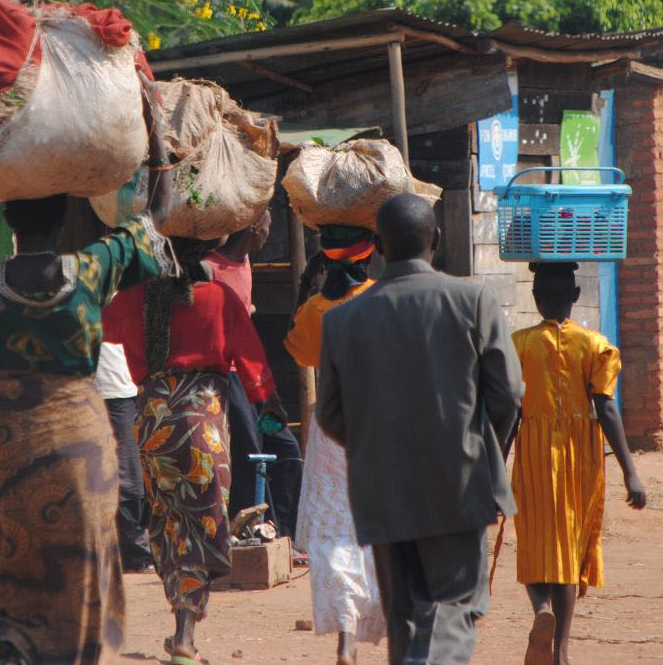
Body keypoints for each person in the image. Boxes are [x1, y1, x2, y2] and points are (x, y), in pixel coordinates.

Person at [0, 81, 176, 665]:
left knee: (18, 571)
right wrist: (158, 141)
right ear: (62, 219)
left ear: (7, 215)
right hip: (81, 446)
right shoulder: (92, 270)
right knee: (82, 570)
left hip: (10, 449)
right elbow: (157, 219)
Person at [317, 193, 523, 665]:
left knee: (403, 619)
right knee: (454, 607)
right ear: (437, 239)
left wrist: (376, 446)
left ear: (379, 247)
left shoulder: (342, 320)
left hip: (380, 487)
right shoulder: (472, 300)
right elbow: (508, 392)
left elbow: (329, 413)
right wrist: (474, 442)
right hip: (459, 481)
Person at [104, 237, 289, 665]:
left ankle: (180, 626)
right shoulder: (218, 297)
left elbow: (101, 325)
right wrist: (271, 402)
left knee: (169, 524)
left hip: (151, 423)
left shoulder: (139, 300)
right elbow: (251, 360)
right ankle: (184, 634)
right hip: (201, 424)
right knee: (200, 528)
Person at [513, 263, 647, 665]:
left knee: (536, 542)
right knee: (569, 548)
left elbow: (504, 412)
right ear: (575, 296)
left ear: (535, 298)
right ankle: (563, 648)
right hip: (579, 455)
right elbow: (606, 408)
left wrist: (493, 463)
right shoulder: (594, 345)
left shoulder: (518, 344)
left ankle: (541, 611)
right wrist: (630, 471)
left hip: (533, 450)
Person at [283, 225, 383, 664]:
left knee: (335, 535)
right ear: (369, 257)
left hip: (332, 427)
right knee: (379, 528)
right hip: (381, 424)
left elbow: (300, 351)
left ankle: (346, 639)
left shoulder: (316, 310)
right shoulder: (384, 299)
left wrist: (308, 289)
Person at [210, 209, 302, 541]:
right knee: (249, 447)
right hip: (230, 374)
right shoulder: (211, 270)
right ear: (252, 228)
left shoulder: (245, 264)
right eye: (267, 226)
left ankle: (286, 531)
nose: (268, 233)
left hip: (253, 375)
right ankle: (256, 528)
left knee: (285, 446)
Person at [94, 338, 153, 572]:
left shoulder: (127, 301)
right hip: (81, 392)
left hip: (120, 390)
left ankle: (135, 553)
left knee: (129, 474)